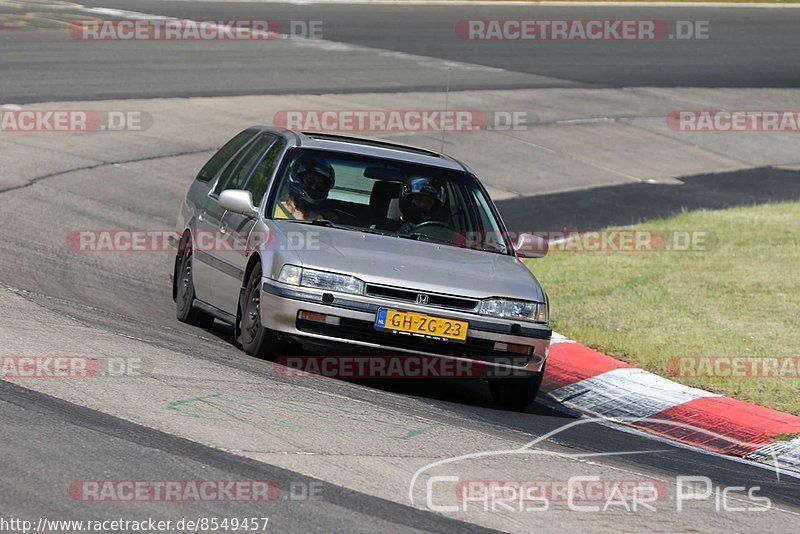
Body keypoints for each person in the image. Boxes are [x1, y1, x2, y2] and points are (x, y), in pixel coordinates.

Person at [375, 175, 446, 233]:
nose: (423, 205)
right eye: (419, 200)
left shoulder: (440, 233)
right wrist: (398, 233)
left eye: (428, 202)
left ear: (434, 207)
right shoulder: (385, 227)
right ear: (408, 201)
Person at [274, 155, 335, 220]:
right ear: (297, 178)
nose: (313, 187)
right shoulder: (272, 212)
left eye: (319, 185)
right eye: (310, 181)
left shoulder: (321, 221)